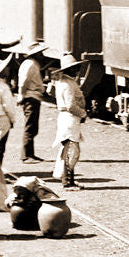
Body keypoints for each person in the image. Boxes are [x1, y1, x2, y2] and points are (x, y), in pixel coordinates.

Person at [51, 53, 87, 189]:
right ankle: (67, 182)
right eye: (74, 68)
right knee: (71, 150)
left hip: (66, 118)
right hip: (69, 118)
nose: (76, 70)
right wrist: (83, 114)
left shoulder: (62, 82)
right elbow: (71, 105)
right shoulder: (68, 84)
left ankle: (69, 179)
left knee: (69, 149)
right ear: (68, 70)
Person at [17, 41, 47, 163]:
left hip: (32, 96)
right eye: (40, 53)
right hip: (31, 97)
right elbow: (24, 82)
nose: (42, 55)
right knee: (30, 126)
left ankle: (30, 154)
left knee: (32, 126)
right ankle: (26, 156)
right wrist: (21, 95)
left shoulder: (31, 63)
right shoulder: (31, 64)